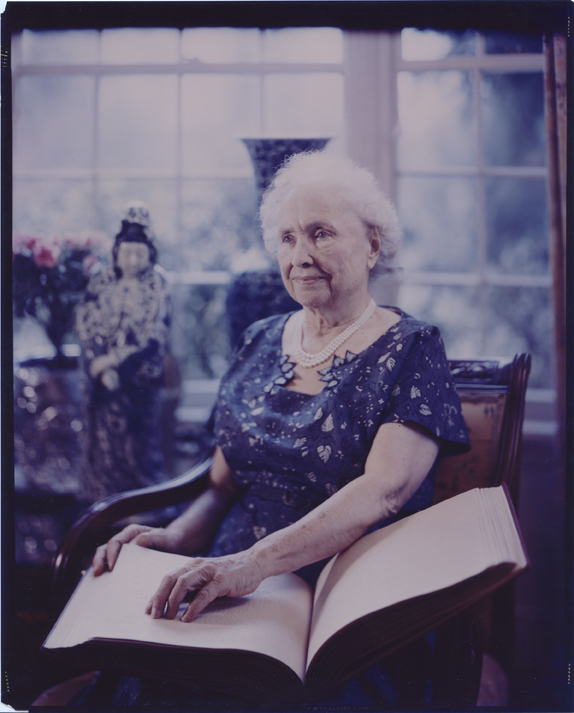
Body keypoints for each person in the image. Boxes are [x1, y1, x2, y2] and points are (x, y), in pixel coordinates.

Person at [86, 152, 470, 708]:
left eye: (321, 234)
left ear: (372, 246)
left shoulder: (412, 347)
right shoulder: (261, 339)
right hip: (227, 582)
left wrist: (251, 565)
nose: (301, 256)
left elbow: (383, 491)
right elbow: (223, 485)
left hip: (341, 601)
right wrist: (174, 540)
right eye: (288, 238)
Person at [75, 203, 171, 504]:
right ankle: (102, 501)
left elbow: (155, 333)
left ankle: (141, 504)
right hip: (101, 379)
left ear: (150, 254)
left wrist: (117, 362)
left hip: (136, 377)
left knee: (137, 444)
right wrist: (101, 366)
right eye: (126, 252)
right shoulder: (101, 281)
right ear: (116, 252)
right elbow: (85, 323)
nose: (132, 260)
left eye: (139, 254)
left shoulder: (157, 283)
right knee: (103, 447)